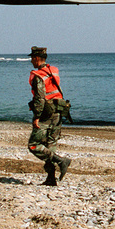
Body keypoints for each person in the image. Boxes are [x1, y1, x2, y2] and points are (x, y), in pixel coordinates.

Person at [27, 46, 71, 186]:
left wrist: (36, 117)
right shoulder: (54, 71)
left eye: (32, 58)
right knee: (50, 144)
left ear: (36, 58)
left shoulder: (38, 75)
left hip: (46, 112)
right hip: (59, 110)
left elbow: (40, 98)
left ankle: (61, 161)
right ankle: (51, 178)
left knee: (34, 145)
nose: (31, 61)